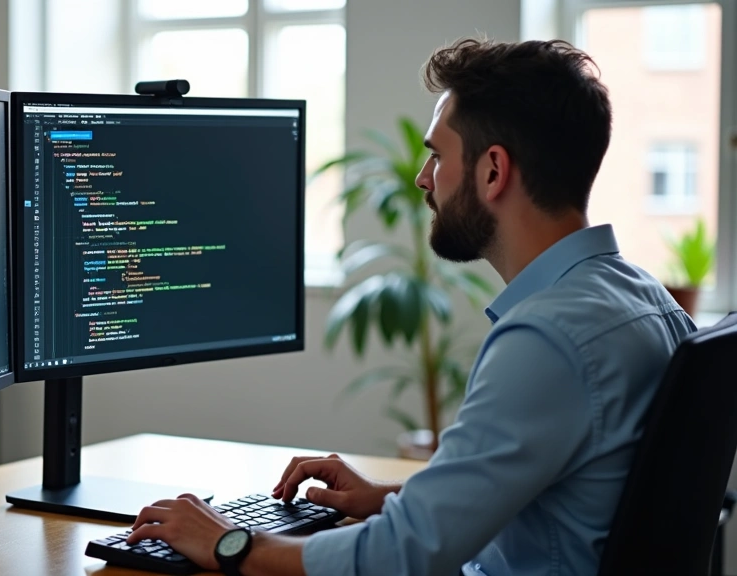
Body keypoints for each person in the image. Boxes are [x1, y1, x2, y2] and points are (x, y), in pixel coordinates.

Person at [125, 38, 697, 576]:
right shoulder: (647, 301)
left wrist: (230, 542)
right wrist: (397, 499)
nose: (424, 179)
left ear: (493, 170)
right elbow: (569, 493)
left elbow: (400, 557)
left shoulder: (549, 337)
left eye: (437, 156)